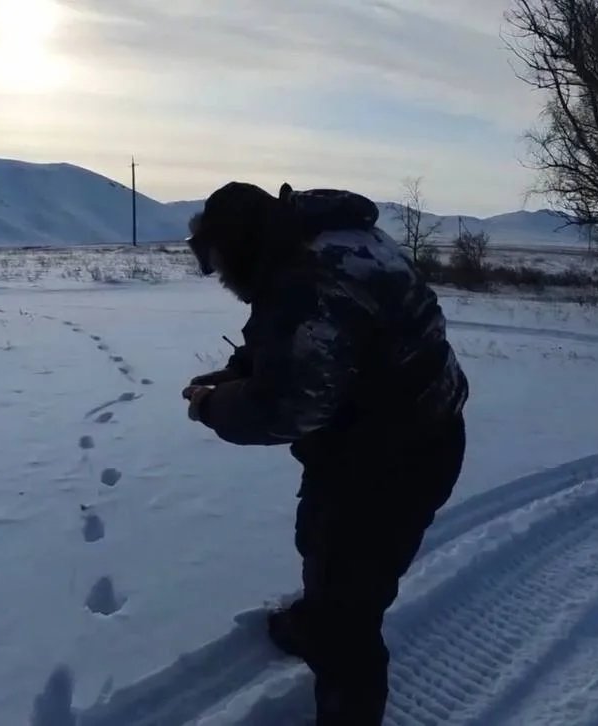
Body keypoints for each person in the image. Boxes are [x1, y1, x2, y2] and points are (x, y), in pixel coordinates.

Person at [180, 181, 469, 726]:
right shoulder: (332, 240)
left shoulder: (304, 279)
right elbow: (300, 342)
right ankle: (319, 622)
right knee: (323, 540)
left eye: (218, 265)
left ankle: (338, 666)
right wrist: (240, 372)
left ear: (239, 247)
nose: (219, 279)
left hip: (395, 456)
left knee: (349, 605)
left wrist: (213, 407)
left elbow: (288, 406)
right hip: (397, 435)